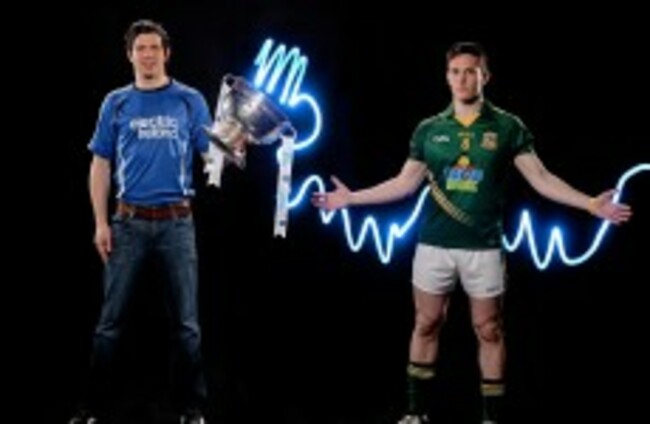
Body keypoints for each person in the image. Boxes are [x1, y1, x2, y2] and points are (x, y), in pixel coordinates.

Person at [312, 41, 632, 424]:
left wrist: (590, 203)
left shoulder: (508, 127)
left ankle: (490, 418)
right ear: (447, 77)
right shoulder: (429, 130)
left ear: (485, 76)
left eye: (470, 71)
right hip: (434, 245)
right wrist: (351, 199)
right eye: (455, 72)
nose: (462, 79)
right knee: (426, 323)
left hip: (484, 247)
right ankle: (415, 414)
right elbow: (404, 184)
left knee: (489, 329)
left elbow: (541, 178)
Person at [68, 19, 231, 424]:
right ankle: (90, 408)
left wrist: (233, 146)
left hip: (178, 223)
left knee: (187, 326)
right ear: (130, 55)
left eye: (155, 48)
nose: (148, 55)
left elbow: (211, 157)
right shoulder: (115, 102)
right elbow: (100, 164)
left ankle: (192, 409)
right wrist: (100, 223)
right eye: (140, 48)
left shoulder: (189, 99)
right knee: (109, 324)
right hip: (127, 223)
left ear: (166, 53)